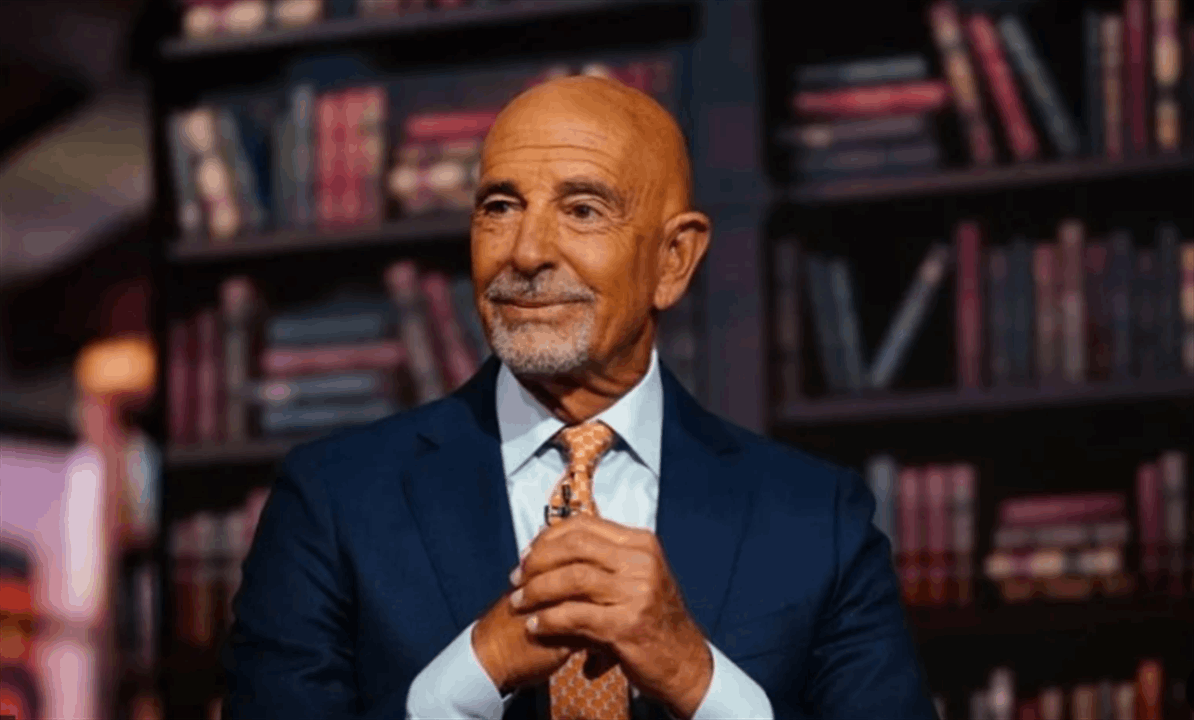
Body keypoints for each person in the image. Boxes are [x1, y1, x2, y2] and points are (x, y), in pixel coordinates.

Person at [222, 75, 937, 720]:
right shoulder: (331, 502)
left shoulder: (818, 519)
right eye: (500, 206)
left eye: (584, 210)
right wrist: (467, 679)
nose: (527, 251)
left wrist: (697, 678)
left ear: (673, 259)